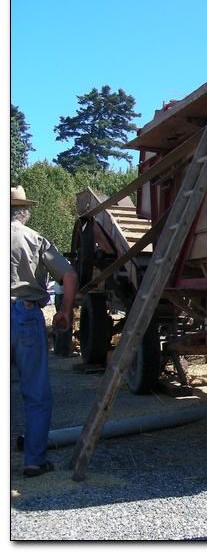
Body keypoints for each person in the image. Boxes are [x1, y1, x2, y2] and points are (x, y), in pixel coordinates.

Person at [11, 185, 77, 477]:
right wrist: (64, 311)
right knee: (35, 393)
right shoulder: (34, 238)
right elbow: (69, 274)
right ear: (23, 211)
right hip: (24, 316)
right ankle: (34, 461)